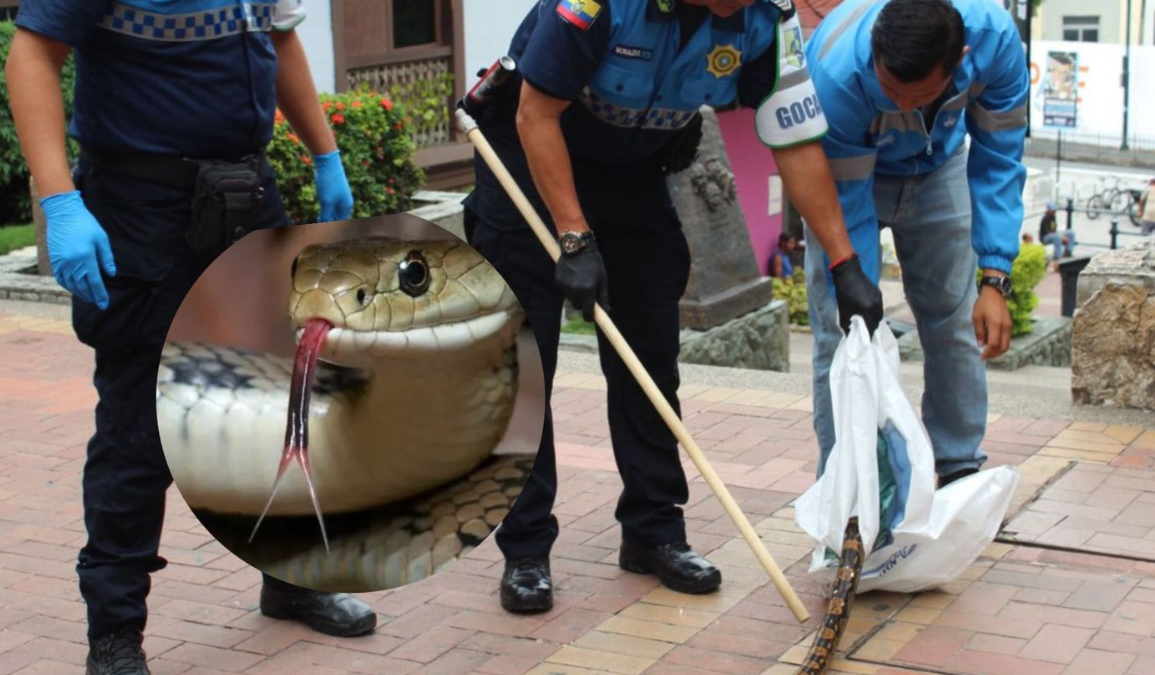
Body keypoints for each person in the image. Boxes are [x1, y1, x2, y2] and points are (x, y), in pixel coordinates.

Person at [463, 0, 882, 615]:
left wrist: (846, 265)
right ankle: (525, 547)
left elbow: (792, 137)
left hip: (632, 172)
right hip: (526, 164)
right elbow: (534, 114)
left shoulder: (767, 21)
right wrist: (575, 239)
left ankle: (654, 531)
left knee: (649, 356)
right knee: (522, 367)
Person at [6, 2, 375, 673]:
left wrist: (326, 153)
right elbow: (32, 53)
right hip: (141, 210)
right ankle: (114, 633)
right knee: (138, 427)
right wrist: (59, 199)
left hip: (245, 194)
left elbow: (280, 38)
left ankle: (290, 579)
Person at [805, 0, 1028, 488]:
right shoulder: (836, 73)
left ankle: (958, 467)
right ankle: (849, 483)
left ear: (960, 59)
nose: (904, 105)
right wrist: (851, 276)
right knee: (843, 332)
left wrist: (995, 275)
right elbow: (843, 196)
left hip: (939, 166)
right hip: (850, 173)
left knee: (955, 319)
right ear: (875, 56)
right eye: (890, 91)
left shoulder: (995, 42)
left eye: (920, 94)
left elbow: (1000, 158)